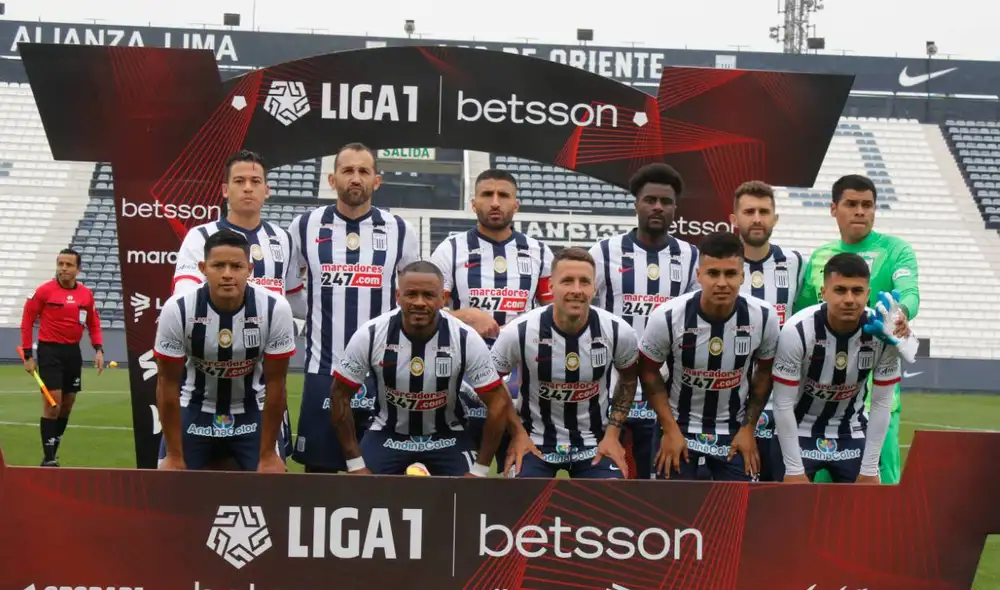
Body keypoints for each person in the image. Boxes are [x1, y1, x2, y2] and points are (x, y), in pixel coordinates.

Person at [329, 261, 533, 476]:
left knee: (469, 499)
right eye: (411, 294)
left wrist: (480, 470)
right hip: (387, 435)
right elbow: (339, 395)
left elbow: (498, 401)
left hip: (447, 437)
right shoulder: (370, 334)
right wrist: (355, 465)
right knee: (364, 495)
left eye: (428, 295)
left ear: (442, 299)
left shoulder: (464, 337)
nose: (419, 302)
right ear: (398, 296)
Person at [289, 142, 420, 473]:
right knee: (319, 471)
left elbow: (414, 295)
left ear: (377, 180)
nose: (356, 178)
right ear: (332, 180)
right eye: (348, 171)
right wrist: (318, 310)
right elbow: (291, 292)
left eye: (364, 171)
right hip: (324, 369)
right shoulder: (304, 226)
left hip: (383, 372)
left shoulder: (401, 230)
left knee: (379, 473)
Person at [172, 149, 302, 465]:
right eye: (239, 180)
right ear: (224, 189)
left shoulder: (282, 239)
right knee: (185, 486)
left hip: (262, 388)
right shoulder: (199, 236)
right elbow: (183, 298)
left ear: (267, 190)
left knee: (269, 477)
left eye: (255, 181)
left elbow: (295, 302)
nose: (248, 187)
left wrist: (282, 335)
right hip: (206, 380)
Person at [794, 174, 919, 485]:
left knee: (879, 484)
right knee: (819, 494)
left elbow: (910, 292)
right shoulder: (820, 258)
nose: (860, 211)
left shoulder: (896, 250)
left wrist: (900, 314)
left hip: (875, 391)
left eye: (867, 205)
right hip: (823, 396)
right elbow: (801, 315)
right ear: (834, 208)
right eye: (851, 204)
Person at [430, 168, 554, 473]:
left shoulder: (539, 252)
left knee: (519, 473)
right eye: (487, 195)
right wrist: (466, 315)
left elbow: (555, 316)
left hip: (522, 384)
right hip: (463, 384)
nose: (495, 202)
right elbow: (426, 312)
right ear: (474, 203)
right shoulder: (451, 249)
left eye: (503, 196)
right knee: (463, 477)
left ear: (516, 204)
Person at [638, 231, 780, 481]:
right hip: (678, 426)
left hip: (735, 429)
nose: (722, 283)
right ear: (699, 275)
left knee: (741, 511)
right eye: (713, 273)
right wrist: (669, 429)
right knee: (670, 514)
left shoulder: (764, 317)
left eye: (730, 274)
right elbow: (648, 371)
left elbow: (765, 372)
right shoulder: (668, 316)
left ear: (742, 276)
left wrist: (749, 428)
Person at [589, 162, 698, 480]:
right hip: (609, 389)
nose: (657, 207)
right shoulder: (604, 252)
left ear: (675, 208)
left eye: (666, 202)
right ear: (636, 203)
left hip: (663, 393)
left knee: (659, 482)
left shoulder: (690, 257)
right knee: (609, 478)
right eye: (650, 199)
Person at [490, 247, 638, 479]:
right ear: (551, 286)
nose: (576, 290)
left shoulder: (618, 331)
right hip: (535, 442)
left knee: (612, 498)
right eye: (567, 281)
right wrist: (517, 433)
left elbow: (629, 379)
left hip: (594, 443)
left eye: (584, 282)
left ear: (593, 287)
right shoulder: (519, 331)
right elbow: (492, 384)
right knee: (519, 498)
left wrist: (612, 434)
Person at [154, 229, 296, 472]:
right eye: (218, 266)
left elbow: (276, 384)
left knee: (272, 487)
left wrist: (268, 455)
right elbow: (167, 383)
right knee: (170, 486)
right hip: (195, 407)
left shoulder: (275, 308)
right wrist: (175, 456)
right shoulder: (177, 309)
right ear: (202, 268)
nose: (227, 274)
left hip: (252, 408)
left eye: (236, 266)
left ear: (249, 270)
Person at [772, 253, 905, 483]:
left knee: (864, 513)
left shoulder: (883, 333)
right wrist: (794, 470)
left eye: (857, 291)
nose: (849, 299)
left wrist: (870, 469)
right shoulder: (797, 331)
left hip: (850, 430)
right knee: (787, 512)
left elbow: (882, 402)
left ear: (868, 294)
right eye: (840, 290)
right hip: (799, 429)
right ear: (824, 293)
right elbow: (782, 403)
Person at [729, 180, 805, 482]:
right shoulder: (720, 267)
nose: (757, 218)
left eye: (764, 211)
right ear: (734, 219)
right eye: (749, 211)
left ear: (775, 218)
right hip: (732, 402)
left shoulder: (796, 263)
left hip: (782, 402)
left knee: (777, 493)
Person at [20, 248, 105, 466]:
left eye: (68, 265)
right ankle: (49, 458)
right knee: (53, 404)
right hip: (49, 352)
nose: (63, 269)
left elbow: (93, 324)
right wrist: (28, 355)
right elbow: (27, 321)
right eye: (60, 264)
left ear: (78, 269)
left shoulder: (86, 294)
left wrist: (98, 349)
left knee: (67, 404)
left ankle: (51, 453)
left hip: (72, 353)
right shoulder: (44, 291)